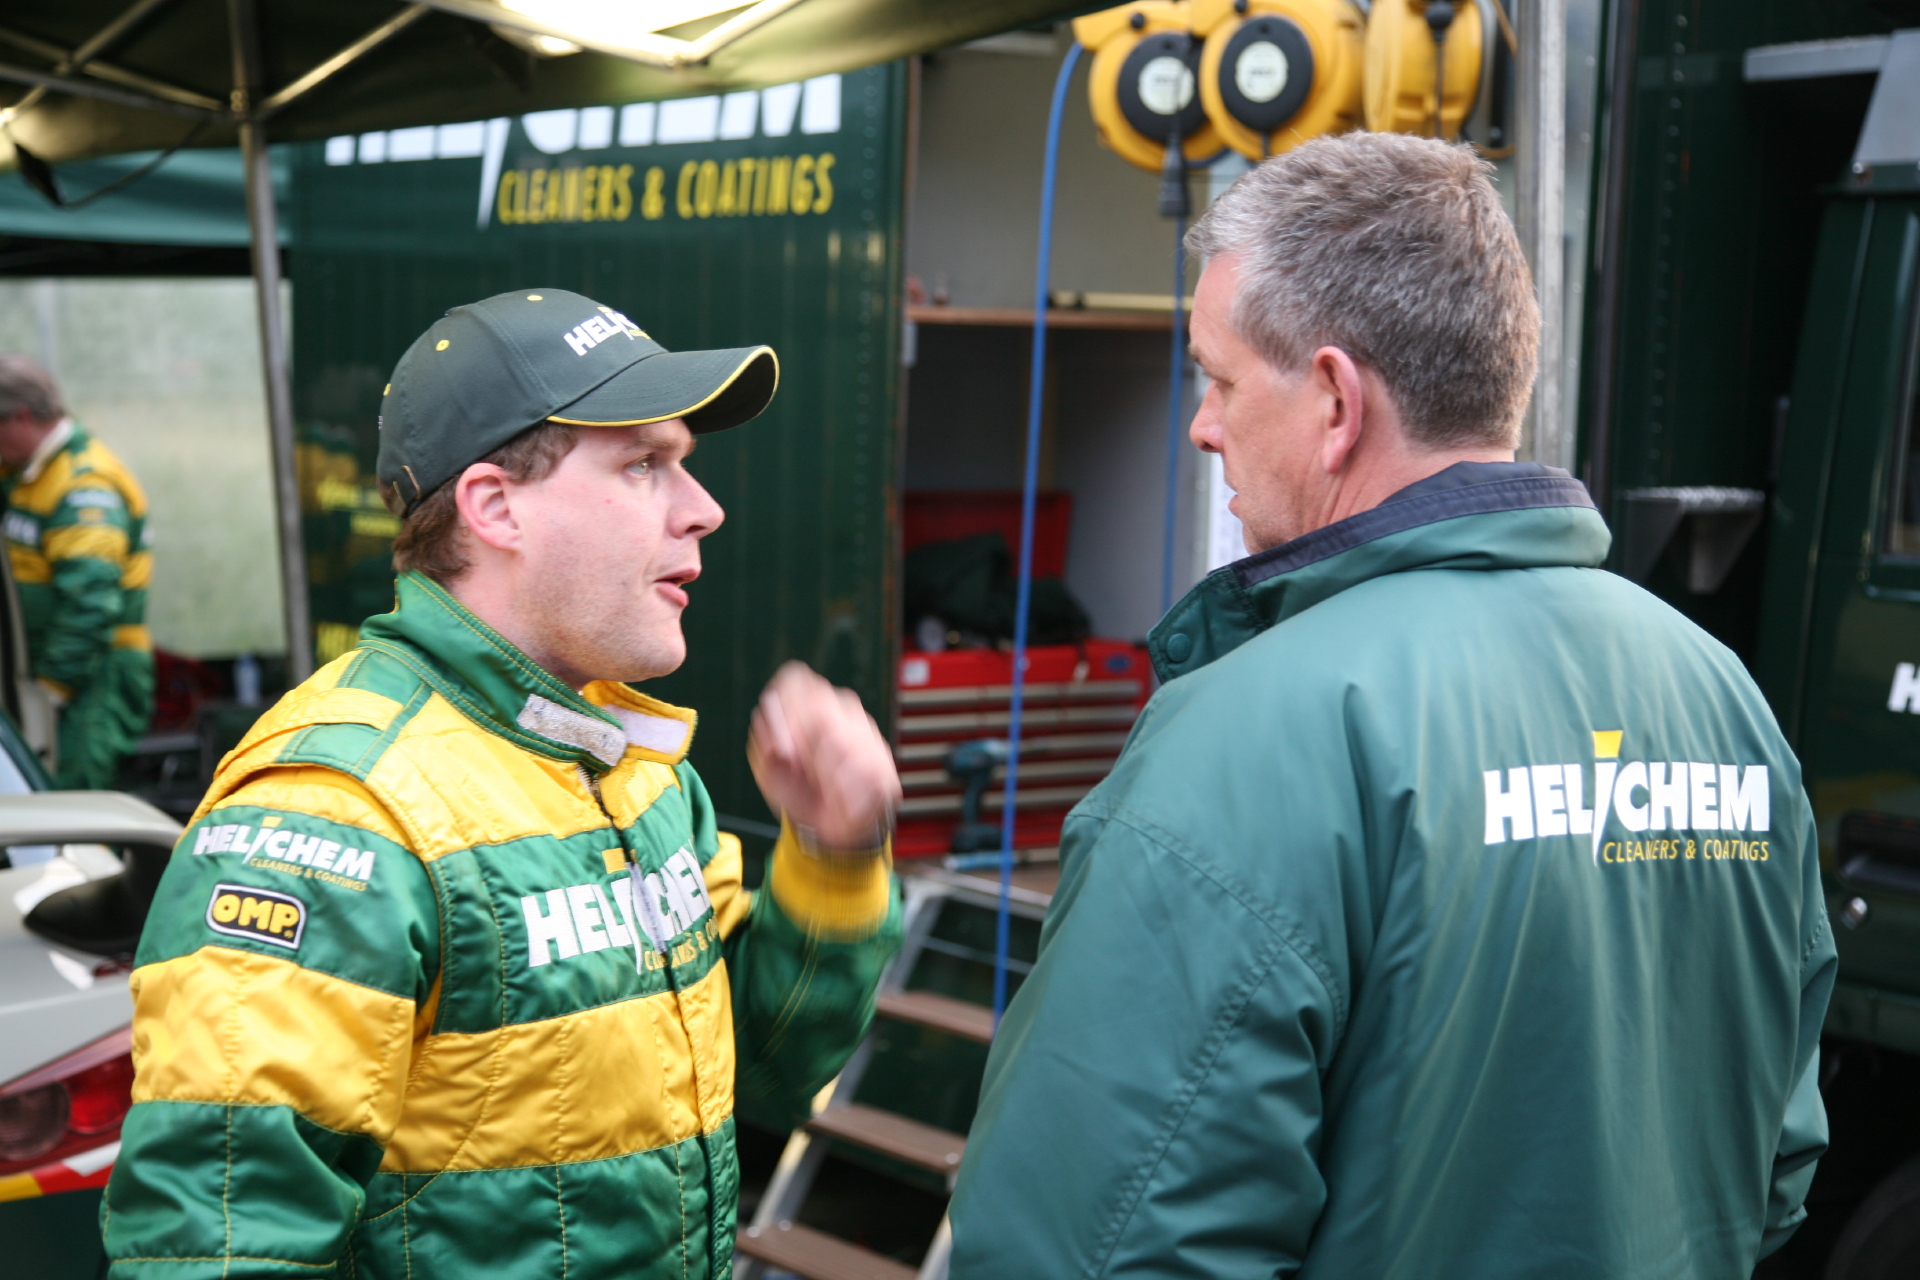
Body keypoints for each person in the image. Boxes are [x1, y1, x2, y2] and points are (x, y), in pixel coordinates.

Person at [948, 133, 1833, 1279]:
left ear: (1334, 399)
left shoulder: (1247, 738)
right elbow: (1773, 1161)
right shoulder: (1720, 696)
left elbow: (1094, 1245)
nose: (1202, 424)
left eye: (1220, 379)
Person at [102, 289, 904, 1278]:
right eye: (644, 464)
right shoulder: (331, 811)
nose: (704, 508)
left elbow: (766, 1070)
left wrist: (833, 853)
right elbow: (218, 1248)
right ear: (493, 506)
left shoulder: (629, 762)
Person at [0, 355, 153, 788]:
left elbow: (91, 604)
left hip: (89, 681)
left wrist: (48, 692)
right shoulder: (25, 473)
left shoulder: (84, 484)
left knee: (72, 804)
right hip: (49, 675)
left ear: (22, 417)